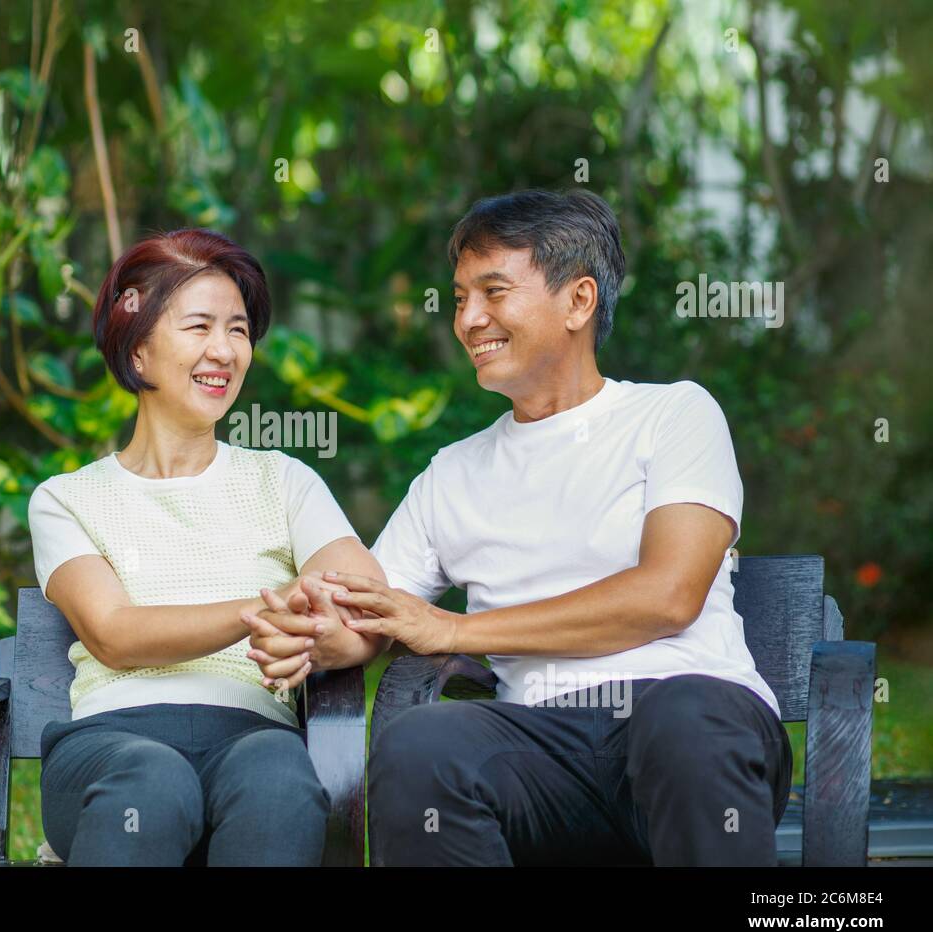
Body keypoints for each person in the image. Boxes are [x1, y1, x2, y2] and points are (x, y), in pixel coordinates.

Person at [244, 189, 791, 866]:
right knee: (421, 747)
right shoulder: (454, 472)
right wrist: (323, 633)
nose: (470, 319)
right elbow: (373, 609)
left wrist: (454, 630)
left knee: (680, 721)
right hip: (540, 746)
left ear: (579, 301)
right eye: (459, 297)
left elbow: (667, 596)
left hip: (693, 726)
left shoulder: (674, 416)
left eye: (494, 292)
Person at [27, 227, 385, 866]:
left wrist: (321, 634)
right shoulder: (66, 499)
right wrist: (266, 611)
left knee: (280, 781)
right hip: (112, 741)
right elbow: (115, 633)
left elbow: (366, 606)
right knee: (153, 784)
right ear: (138, 353)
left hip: (251, 734)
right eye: (199, 327)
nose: (225, 350)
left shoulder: (284, 482)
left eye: (240, 330)